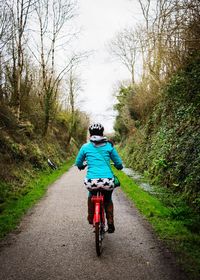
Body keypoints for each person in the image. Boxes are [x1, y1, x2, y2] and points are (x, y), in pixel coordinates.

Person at [75, 123, 123, 233]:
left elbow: (78, 163)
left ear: (90, 134)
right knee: (108, 199)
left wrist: (82, 166)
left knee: (91, 194)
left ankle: (91, 217)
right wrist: (118, 166)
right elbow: (119, 163)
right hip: (107, 181)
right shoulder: (109, 146)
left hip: (91, 182)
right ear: (102, 133)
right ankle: (110, 222)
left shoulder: (85, 147)